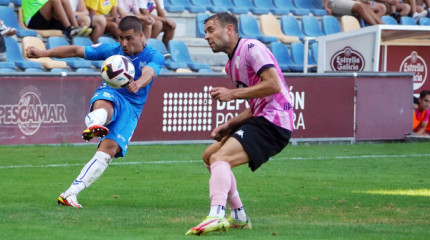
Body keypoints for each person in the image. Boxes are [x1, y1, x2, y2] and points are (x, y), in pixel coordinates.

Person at [25, 15, 165, 208]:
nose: (124, 43)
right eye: (120, 37)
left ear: (141, 36)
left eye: (129, 38)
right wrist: (43, 52)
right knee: (107, 103)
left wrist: (138, 84)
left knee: (108, 151)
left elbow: (150, 72)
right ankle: (94, 124)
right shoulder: (112, 50)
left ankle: (70, 194)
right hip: (112, 92)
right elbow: (75, 50)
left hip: (133, 107)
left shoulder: (153, 55)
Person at [185, 12, 294, 236]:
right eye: (205, 32)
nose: (206, 36)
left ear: (229, 30)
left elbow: (273, 85)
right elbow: (256, 103)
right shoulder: (230, 66)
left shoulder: (252, 48)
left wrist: (232, 94)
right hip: (261, 117)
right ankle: (239, 217)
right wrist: (230, 125)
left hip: (275, 122)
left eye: (210, 30)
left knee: (220, 158)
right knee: (210, 156)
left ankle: (216, 214)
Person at [21, 0, 87, 38]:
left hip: (46, 22)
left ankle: (76, 28)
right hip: (32, 22)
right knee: (54, 0)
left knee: (64, 0)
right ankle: (69, 29)